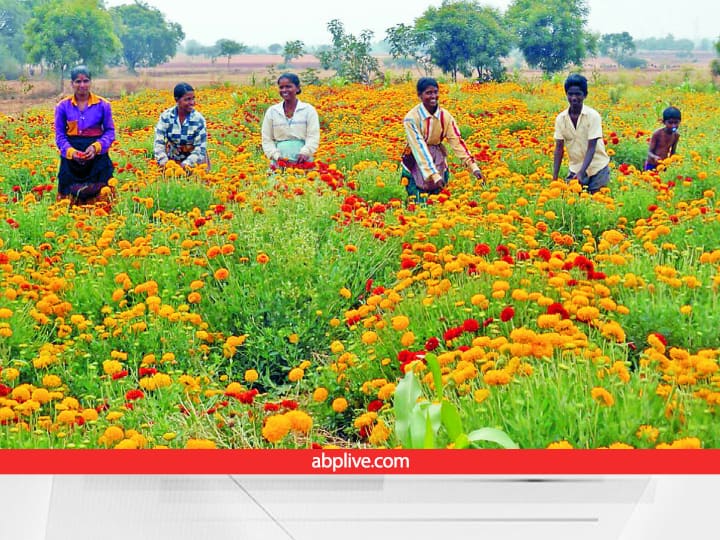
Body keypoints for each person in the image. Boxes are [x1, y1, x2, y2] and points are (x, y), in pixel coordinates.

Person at [401, 77, 483, 199]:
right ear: (420, 95)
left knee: (440, 200)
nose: (433, 96)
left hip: (437, 157)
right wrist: (434, 175)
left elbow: (457, 142)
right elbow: (419, 148)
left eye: (435, 92)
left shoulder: (445, 116)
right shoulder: (411, 118)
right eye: (428, 93)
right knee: (417, 201)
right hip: (415, 160)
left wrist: (473, 167)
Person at [54, 65, 116, 203]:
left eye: (86, 81)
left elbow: (110, 132)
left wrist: (96, 147)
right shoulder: (63, 106)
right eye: (78, 81)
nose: (82, 85)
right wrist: (71, 152)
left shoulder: (103, 105)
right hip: (71, 160)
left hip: (97, 158)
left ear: (91, 82)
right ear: (71, 83)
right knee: (68, 202)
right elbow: (60, 135)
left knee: (102, 200)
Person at [552, 73, 610, 194]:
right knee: (571, 204)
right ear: (566, 94)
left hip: (597, 168)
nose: (574, 98)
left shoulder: (593, 116)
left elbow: (592, 147)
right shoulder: (561, 119)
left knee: (597, 205)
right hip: (575, 168)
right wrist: (555, 178)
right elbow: (559, 149)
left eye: (578, 94)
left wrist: (582, 172)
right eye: (570, 94)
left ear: (585, 95)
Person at [261, 73, 320, 166]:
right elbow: (266, 138)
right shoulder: (272, 111)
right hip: (279, 160)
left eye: (288, 86)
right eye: (281, 87)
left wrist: (305, 153)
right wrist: (276, 156)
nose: (284, 90)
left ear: (297, 88)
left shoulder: (308, 110)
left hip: (303, 159)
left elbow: (313, 136)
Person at [154, 82, 209, 170]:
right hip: (172, 158)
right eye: (187, 99)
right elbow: (158, 142)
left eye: (193, 99)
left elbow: (200, 147)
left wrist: (186, 165)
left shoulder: (199, 120)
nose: (192, 102)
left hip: (195, 160)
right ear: (177, 100)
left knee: (196, 181)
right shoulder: (166, 117)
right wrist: (164, 162)